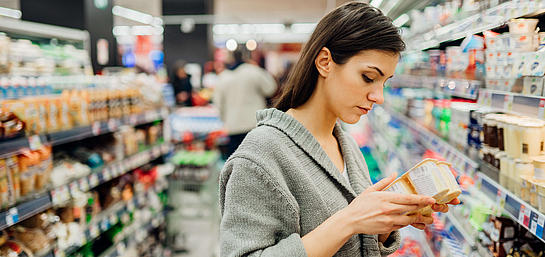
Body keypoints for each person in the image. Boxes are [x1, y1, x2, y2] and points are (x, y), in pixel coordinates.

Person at [219, 2, 460, 257]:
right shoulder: (260, 156)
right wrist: (349, 221)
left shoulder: (347, 146)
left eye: (384, 82)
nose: (378, 96)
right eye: (368, 77)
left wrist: (386, 222)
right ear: (325, 62)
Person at [213, 50, 277, 158]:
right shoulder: (254, 71)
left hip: (233, 125)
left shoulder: (223, 77)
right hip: (254, 124)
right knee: (257, 161)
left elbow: (218, 103)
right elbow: (271, 88)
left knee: (235, 163)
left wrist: (225, 120)